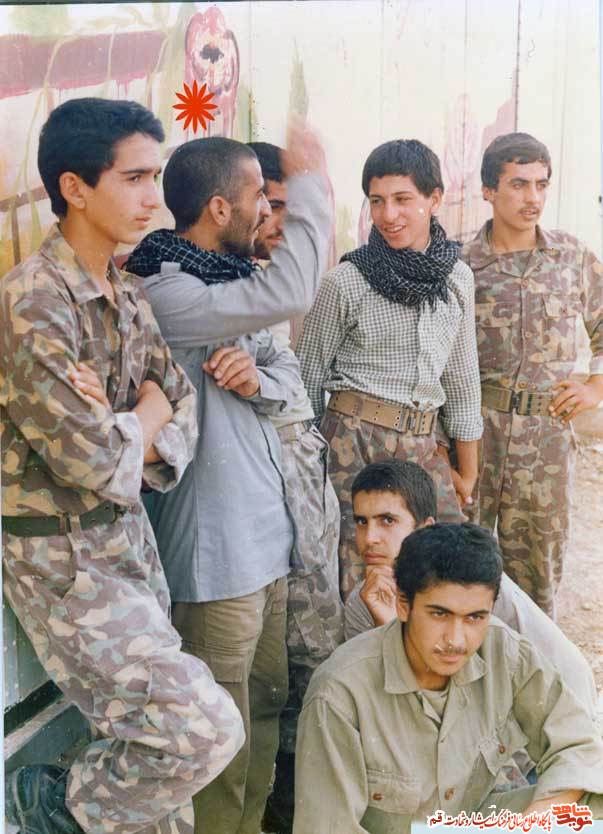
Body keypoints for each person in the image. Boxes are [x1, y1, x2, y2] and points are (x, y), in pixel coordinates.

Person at [1, 97, 244, 834]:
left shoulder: (126, 291)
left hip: (127, 544)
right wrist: (142, 416)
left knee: (165, 797)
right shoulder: (34, 303)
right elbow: (94, 461)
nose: (153, 199)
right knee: (201, 730)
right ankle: (59, 805)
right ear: (75, 188)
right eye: (134, 179)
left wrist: (134, 424)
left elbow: (184, 409)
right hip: (64, 560)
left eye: (155, 178)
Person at [125, 125, 330, 834]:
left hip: (267, 542)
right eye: (258, 199)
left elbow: (288, 377)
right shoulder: (168, 293)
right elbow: (297, 285)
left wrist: (256, 379)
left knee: (264, 703)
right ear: (219, 208)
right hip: (217, 558)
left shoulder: (230, 282)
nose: (266, 213)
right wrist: (312, 185)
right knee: (219, 730)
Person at [294, 523, 603, 834]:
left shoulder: (503, 651)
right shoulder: (339, 692)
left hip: (476, 822)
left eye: (475, 617)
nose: (456, 639)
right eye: (439, 614)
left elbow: (576, 745)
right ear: (403, 604)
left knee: (588, 804)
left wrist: (531, 826)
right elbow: (327, 828)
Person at [297, 139, 483, 599]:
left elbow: (462, 378)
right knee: (359, 571)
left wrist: (466, 472)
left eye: (402, 199)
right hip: (353, 444)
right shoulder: (346, 282)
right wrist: (308, 471)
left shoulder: (458, 279)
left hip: (425, 446)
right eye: (377, 201)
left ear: (434, 199)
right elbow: (306, 381)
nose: (388, 215)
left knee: (442, 572)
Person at [460, 132, 603, 617]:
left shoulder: (571, 258)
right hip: (475, 434)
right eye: (519, 184)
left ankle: (531, 661)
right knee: (461, 565)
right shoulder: (463, 267)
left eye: (541, 185)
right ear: (488, 189)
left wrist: (595, 387)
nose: (533, 198)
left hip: (545, 443)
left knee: (537, 579)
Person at [247, 141, 344, 834]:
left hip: (305, 490)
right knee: (276, 664)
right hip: (265, 503)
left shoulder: (262, 288)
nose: (277, 222)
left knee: (313, 650)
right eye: (268, 206)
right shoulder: (223, 295)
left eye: (285, 205)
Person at [343, 460, 597, 712]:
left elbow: (564, 668)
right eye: (362, 522)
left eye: (387, 520)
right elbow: (378, 703)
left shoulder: (473, 581)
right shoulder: (365, 601)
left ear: (424, 528)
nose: (370, 538)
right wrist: (388, 626)